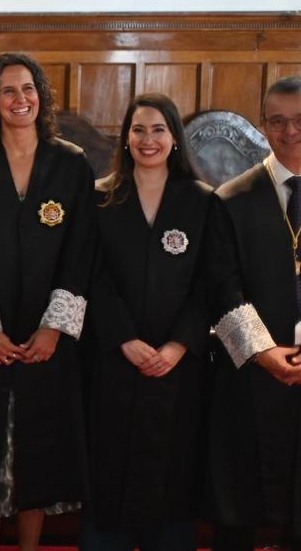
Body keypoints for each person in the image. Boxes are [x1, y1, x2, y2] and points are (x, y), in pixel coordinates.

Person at [0, 52, 94, 551]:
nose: (20, 99)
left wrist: (53, 328)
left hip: (47, 339)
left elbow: (81, 253)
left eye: (28, 88)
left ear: (41, 96)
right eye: (8, 90)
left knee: (39, 447)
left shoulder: (70, 164)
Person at [82, 94, 213, 550]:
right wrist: (123, 339)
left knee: (173, 471)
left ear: (174, 137)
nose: (148, 139)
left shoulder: (202, 201)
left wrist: (178, 345)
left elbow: (209, 284)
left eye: (158, 129)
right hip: (115, 362)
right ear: (126, 137)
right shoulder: (100, 197)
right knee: (111, 466)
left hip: (178, 366)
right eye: (138, 130)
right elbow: (91, 278)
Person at [205, 76, 301, 550]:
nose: (290, 132)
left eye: (300, 121)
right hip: (252, 373)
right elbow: (223, 286)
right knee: (241, 492)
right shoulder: (233, 198)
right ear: (263, 125)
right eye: (278, 121)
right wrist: (264, 352)